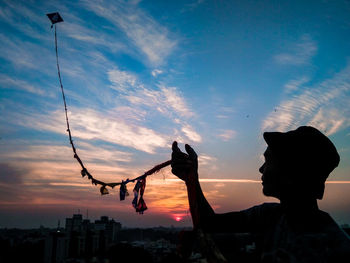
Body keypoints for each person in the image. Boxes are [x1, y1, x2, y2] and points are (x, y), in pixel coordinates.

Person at [171, 126, 350, 262]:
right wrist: (191, 180)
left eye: (268, 160)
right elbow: (208, 223)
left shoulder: (332, 247)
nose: (261, 169)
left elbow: (207, 224)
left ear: (292, 171)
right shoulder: (270, 215)